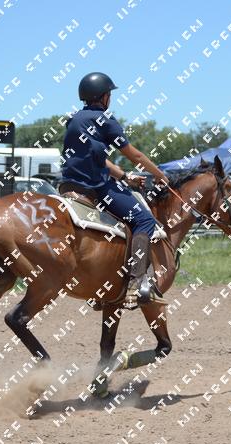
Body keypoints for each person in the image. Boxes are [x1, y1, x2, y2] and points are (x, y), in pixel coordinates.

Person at [59, 72, 170, 308]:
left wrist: (125, 176)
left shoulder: (74, 120)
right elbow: (135, 155)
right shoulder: (105, 120)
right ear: (104, 96)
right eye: (109, 94)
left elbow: (98, 159)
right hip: (96, 187)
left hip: (68, 185)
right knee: (144, 220)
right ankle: (135, 283)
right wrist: (161, 175)